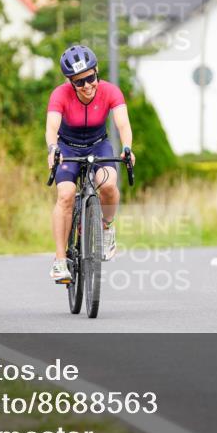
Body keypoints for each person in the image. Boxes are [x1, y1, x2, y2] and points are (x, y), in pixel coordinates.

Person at [46, 44, 135, 283]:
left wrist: (127, 147)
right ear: (70, 82)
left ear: (97, 71)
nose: (87, 86)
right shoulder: (59, 94)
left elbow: (123, 124)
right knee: (66, 194)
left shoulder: (110, 91)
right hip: (67, 147)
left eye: (90, 78)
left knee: (108, 185)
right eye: (79, 82)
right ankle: (59, 260)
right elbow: (52, 127)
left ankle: (106, 228)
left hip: (98, 144)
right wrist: (53, 149)